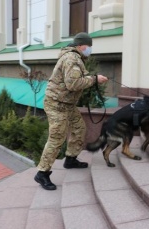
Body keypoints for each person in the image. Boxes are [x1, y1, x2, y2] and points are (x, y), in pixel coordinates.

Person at [34, 32, 108, 190]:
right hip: (57, 104)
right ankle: (42, 173)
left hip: (67, 104)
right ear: (82, 46)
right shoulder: (71, 58)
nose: (90, 50)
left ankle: (71, 159)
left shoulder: (76, 58)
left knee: (79, 128)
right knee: (57, 137)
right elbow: (73, 84)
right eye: (89, 47)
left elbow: (79, 78)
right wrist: (95, 79)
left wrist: (93, 77)